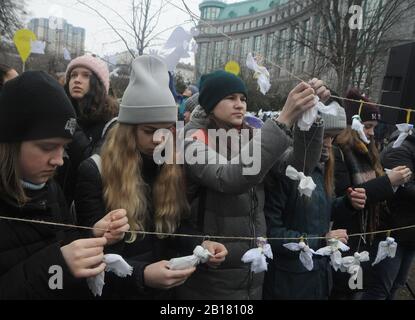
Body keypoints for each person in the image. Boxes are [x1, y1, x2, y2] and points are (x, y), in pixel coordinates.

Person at [74, 55, 227, 299]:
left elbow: (175, 224)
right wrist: (142, 275)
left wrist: (201, 244)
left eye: (166, 130)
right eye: (149, 131)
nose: (159, 139)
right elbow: (89, 253)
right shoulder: (94, 171)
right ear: (127, 131)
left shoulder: (169, 163)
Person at [177, 70, 330, 300]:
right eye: (230, 98)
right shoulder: (193, 139)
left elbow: (299, 167)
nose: (239, 105)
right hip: (212, 276)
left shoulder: (250, 136)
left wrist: (311, 117)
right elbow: (228, 177)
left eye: (243, 98)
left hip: (252, 273)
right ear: (210, 103)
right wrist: (282, 120)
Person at [0, 71, 128, 299]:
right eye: (47, 147)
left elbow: (60, 241)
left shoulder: (50, 189)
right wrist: (57, 266)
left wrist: (92, 235)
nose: (58, 160)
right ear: (10, 141)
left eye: (64, 147)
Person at [264, 103, 367, 300]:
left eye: (331, 137)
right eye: (323, 136)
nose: (328, 143)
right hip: (289, 283)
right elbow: (271, 234)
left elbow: (320, 213)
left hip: (318, 277)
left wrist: (346, 203)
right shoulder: (286, 172)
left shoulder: (322, 170)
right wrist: (320, 240)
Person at [331, 88, 412, 299]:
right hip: (347, 242)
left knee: (356, 290)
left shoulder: (368, 152)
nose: (372, 133)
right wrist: (388, 182)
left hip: (365, 241)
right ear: (351, 125)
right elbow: (345, 199)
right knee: (345, 292)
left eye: (374, 127)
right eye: (367, 126)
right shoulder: (339, 153)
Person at [361, 125, 415, 299]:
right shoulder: (399, 148)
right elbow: (403, 188)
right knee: (379, 289)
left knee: (396, 285)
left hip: (408, 233)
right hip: (392, 232)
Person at [58, 54, 119, 205]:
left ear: (98, 84)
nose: (77, 80)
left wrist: (70, 123)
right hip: (61, 201)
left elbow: (91, 165)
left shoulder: (111, 122)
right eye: (73, 75)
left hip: (91, 205)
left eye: (86, 75)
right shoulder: (58, 114)